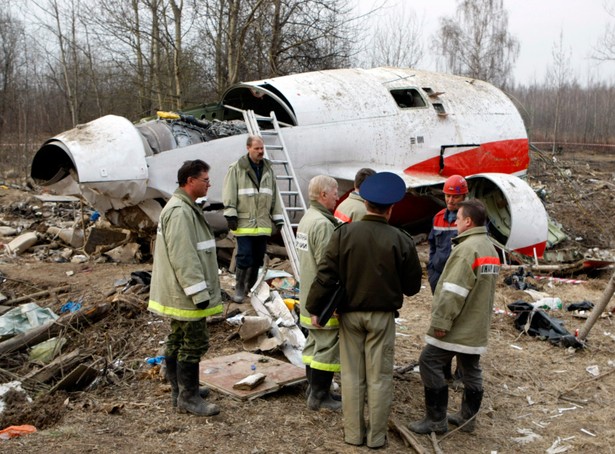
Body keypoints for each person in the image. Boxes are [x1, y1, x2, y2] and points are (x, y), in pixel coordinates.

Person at [307, 172, 422, 448]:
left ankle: (353, 435)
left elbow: (325, 274)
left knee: (351, 376)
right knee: (380, 378)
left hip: (349, 316)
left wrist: (314, 307)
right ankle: (376, 437)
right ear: (391, 207)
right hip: (382, 318)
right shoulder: (401, 239)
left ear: (364, 202)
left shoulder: (343, 233)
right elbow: (412, 287)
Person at [409, 199, 501, 435]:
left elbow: (453, 291)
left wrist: (441, 322)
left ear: (468, 221)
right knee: (471, 368)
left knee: (428, 362)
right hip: (476, 325)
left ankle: (436, 419)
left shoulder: (466, 250)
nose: (456, 222)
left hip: (458, 325)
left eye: (458, 219)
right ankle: (467, 419)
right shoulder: (489, 247)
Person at [148, 159, 223, 417]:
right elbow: (184, 256)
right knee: (194, 341)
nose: (209, 184)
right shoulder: (180, 211)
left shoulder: (184, 207)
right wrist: (198, 292)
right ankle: (188, 397)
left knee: (178, 339)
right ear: (190, 181)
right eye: (205, 179)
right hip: (186, 294)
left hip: (180, 292)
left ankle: (180, 390)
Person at [296, 175, 341, 411]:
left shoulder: (307, 219)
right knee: (326, 347)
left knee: (313, 345)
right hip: (322, 299)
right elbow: (328, 268)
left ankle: (313, 390)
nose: (337, 195)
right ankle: (320, 397)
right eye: (334, 192)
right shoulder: (323, 225)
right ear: (323, 194)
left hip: (308, 297)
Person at [222, 135, 285, 302]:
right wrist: (230, 214)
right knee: (244, 255)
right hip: (244, 223)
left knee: (258, 257)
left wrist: (278, 218)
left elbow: (274, 197)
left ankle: (250, 286)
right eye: (257, 148)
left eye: (262, 148)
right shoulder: (236, 168)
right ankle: (240, 288)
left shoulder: (268, 170)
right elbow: (229, 192)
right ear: (248, 148)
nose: (260, 151)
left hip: (263, 223)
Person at [427, 175, 468, 294]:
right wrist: (432, 272)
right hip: (438, 275)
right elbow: (432, 246)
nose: (450, 200)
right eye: (448, 196)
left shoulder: (470, 220)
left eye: (455, 197)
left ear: (464, 197)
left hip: (459, 277)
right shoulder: (438, 218)